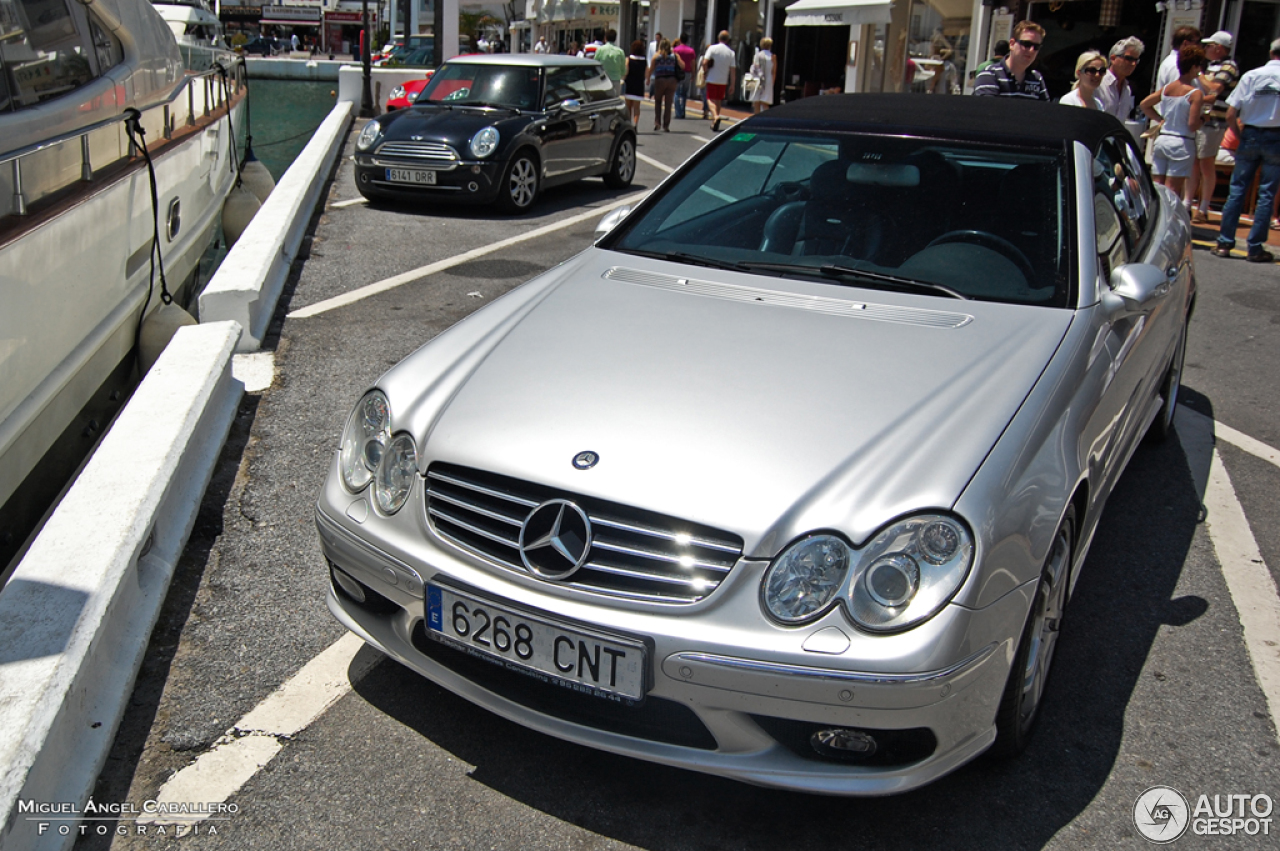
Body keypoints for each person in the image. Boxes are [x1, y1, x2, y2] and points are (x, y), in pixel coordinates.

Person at [1212, 37, 1280, 262]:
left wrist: (1239, 136)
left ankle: (1224, 243)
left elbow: (1231, 113)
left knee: (1238, 189)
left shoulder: (1251, 76)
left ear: (1271, 53)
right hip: (1276, 136)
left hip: (1250, 133)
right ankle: (1255, 247)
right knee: (1267, 193)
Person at [1186, 31, 1241, 223]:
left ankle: (1203, 207)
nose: (1205, 48)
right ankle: (1187, 205)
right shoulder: (1209, 66)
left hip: (1214, 122)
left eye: (1209, 45)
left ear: (1218, 48)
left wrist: (1199, 75)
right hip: (1198, 118)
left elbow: (1214, 89)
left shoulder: (1229, 66)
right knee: (1192, 163)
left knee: (1206, 164)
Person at [1140, 44, 1206, 199]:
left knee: (1157, 186)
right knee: (1172, 191)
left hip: (1163, 139)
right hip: (1182, 142)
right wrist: (1204, 119)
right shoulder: (1195, 94)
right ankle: (1168, 221)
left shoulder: (1167, 89)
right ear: (1194, 67)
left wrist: (1160, 119)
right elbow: (1192, 124)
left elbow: (1144, 104)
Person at [973, 21, 1049, 100]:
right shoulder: (990, 75)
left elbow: (1045, 111)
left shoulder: (1037, 78)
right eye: (1027, 44)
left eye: (1036, 47)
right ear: (1012, 44)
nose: (1031, 50)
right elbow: (988, 110)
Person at [1097, 37, 1144, 122]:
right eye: (1129, 59)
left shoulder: (1127, 90)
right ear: (1113, 58)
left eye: (1136, 60)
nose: (1133, 64)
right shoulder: (1099, 83)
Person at [647, 38, 683, 132]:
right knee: (668, 103)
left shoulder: (656, 56)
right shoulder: (674, 55)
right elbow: (683, 66)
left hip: (660, 80)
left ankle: (657, 123)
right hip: (672, 80)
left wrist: (647, 79)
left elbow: (651, 69)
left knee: (658, 102)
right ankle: (666, 125)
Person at [703, 30, 736, 131]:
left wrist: (705, 72)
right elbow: (733, 69)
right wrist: (732, 84)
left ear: (719, 38)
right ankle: (714, 122)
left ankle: (715, 116)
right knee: (718, 100)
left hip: (712, 77)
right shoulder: (731, 52)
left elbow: (704, 62)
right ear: (728, 40)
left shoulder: (712, 48)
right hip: (723, 80)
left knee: (709, 99)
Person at [1156, 26, 1201, 92]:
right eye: (1197, 42)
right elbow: (1177, 94)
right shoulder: (1176, 64)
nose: (1200, 46)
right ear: (1185, 43)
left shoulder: (1173, 61)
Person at [595, 29, 626, 97]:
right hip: (616, 80)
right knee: (615, 102)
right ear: (615, 38)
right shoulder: (620, 51)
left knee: (603, 101)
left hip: (603, 80)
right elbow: (623, 70)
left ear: (605, 38)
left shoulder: (600, 50)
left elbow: (595, 64)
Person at [623, 40, 647, 127]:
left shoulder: (628, 59)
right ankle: (635, 124)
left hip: (629, 85)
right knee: (637, 108)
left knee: (628, 107)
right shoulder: (644, 61)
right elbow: (646, 74)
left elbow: (626, 72)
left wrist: (623, 79)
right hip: (639, 85)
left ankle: (629, 124)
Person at [672, 36, 697, 119]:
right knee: (684, 93)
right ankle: (683, 111)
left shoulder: (675, 50)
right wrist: (693, 74)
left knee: (676, 93)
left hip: (677, 73)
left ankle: (678, 112)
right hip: (687, 73)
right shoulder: (691, 51)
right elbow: (693, 64)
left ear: (680, 40)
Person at [749, 37, 775, 112]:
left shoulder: (757, 55)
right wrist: (772, 83)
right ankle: (766, 119)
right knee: (765, 103)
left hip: (757, 80)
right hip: (768, 81)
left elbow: (753, 69)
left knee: (756, 102)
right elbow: (773, 72)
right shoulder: (773, 57)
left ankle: (756, 118)